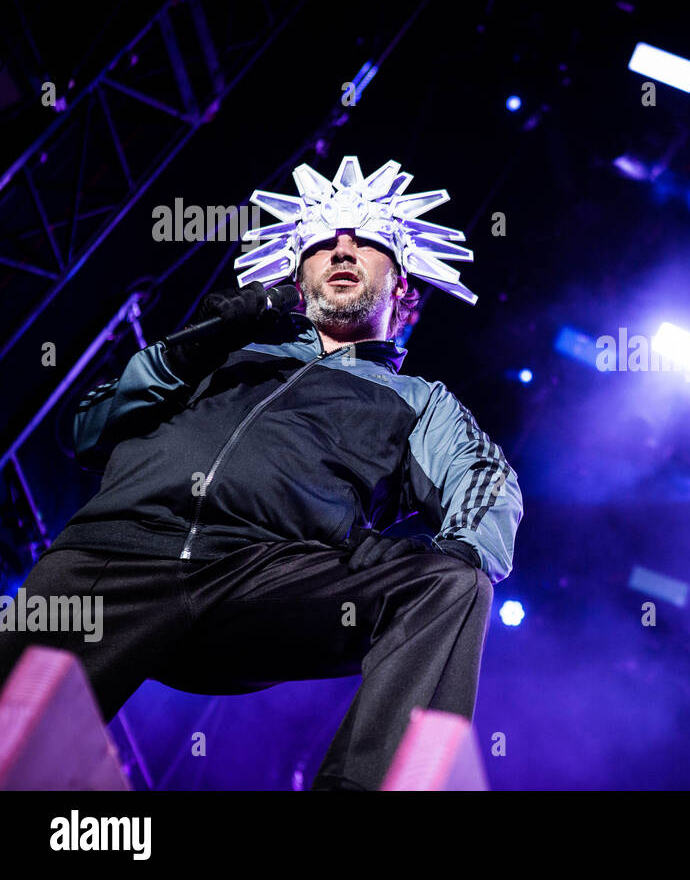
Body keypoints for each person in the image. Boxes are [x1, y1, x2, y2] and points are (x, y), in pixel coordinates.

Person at [0, 158, 523, 790]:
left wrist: (454, 549)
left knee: (450, 583)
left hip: (261, 581)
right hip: (113, 559)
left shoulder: (418, 398)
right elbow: (86, 429)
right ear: (297, 276)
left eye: (368, 240)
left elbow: (487, 483)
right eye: (324, 241)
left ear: (406, 286)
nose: (343, 248)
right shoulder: (228, 351)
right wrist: (195, 343)